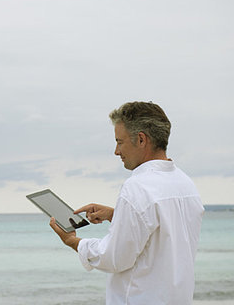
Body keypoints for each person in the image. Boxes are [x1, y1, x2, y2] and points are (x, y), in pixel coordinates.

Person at [49, 101, 204, 304]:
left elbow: (114, 257)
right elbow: (162, 232)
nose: (116, 151)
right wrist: (117, 215)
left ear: (141, 140)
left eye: (119, 142)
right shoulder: (185, 185)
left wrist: (73, 242)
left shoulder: (138, 187)